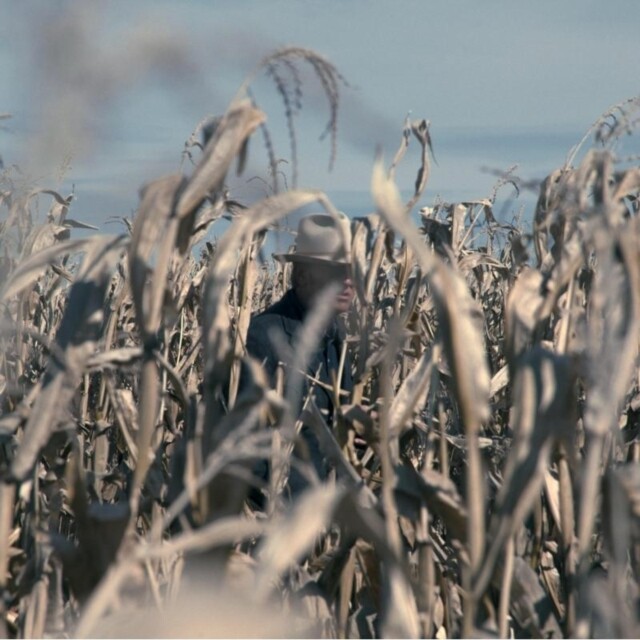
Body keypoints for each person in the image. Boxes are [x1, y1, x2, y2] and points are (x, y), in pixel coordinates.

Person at [244, 212, 355, 497]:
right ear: (304, 276)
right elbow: (244, 448)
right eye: (337, 272)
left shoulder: (335, 338)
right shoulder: (263, 337)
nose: (348, 283)